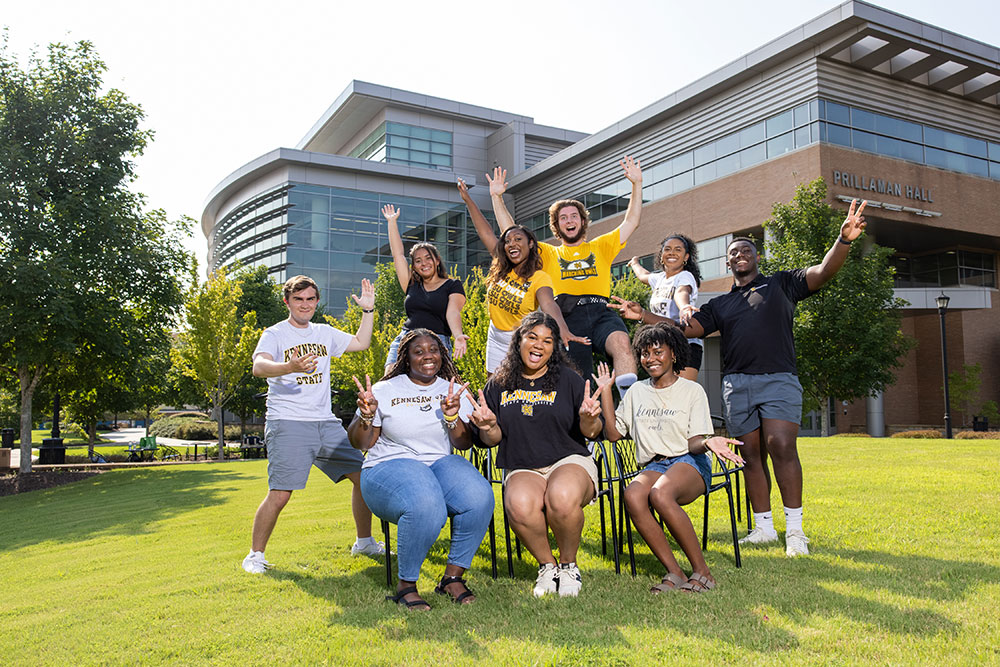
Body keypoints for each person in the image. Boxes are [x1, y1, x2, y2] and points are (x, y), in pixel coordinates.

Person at [608, 199, 868, 557]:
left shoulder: (781, 285)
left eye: (746, 250)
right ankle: (762, 527)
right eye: (733, 253)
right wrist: (646, 317)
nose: (739, 255)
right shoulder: (721, 305)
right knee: (749, 456)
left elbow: (823, 272)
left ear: (756, 257)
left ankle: (795, 531)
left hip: (777, 378)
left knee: (780, 444)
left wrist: (844, 241)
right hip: (736, 385)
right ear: (728, 262)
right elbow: (688, 328)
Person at [243, 275, 383, 575]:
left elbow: (361, 342)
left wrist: (368, 311)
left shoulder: (324, 332)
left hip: (325, 423)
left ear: (317, 302)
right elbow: (259, 366)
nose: (305, 304)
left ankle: (364, 541)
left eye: (310, 299)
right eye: (298, 299)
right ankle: (255, 555)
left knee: (365, 479)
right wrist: (289, 366)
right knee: (281, 493)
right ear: (287, 302)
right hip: (288, 422)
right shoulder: (275, 334)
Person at [347, 329, 494, 610]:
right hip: (388, 467)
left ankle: (453, 577)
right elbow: (360, 442)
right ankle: (407, 585)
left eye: (434, 349)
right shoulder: (385, 390)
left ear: (442, 355)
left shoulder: (451, 389)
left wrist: (452, 417)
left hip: (438, 463)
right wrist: (366, 416)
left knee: (479, 497)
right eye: (419, 351)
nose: (428, 355)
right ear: (406, 358)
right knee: (426, 503)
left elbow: (462, 444)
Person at [468, 311, 608, 597]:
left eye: (547, 340)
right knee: (519, 504)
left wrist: (590, 417)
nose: (538, 345)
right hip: (523, 464)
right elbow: (491, 439)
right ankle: (548, 566)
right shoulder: (498, 383)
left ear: (553, 347)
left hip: (568, 459)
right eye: (532, 337)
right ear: (518, 340)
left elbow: (591, 432)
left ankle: (569, 565)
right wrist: (489, 425)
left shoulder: (569, 380)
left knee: (561, 496)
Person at [596, 324, 744, 593]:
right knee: (632, 494)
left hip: (688, 461)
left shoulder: (691, 391)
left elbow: (694, 442)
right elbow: (615, 434)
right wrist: (607, 391)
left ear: (673, 354)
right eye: (644, 353)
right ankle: (674, 572)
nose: (650, 359)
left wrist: (710, 441)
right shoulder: (637, 392)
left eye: (657, 352)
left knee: (660, 494)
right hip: (655, 464)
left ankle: (703, 572)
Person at [488, 158, 644, 392]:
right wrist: (497, 198)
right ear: (556, 226)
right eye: (563, 218)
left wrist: (637, 184)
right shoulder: (548, 253)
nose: (569, 220)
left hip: (600, 310)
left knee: (622, 342)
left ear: (582, 221)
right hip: (567, 315)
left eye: (573, 216)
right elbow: (513, 235)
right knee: (579, 377)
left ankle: (629, 405)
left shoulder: (601, 246)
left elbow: (631, 221)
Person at [458, 175, 589, 374]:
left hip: (522, 339)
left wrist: (562, 328)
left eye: (518, 239)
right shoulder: (501, 264)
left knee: (520, 388)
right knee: (493, 387)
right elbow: (484, 232)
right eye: (508, 241)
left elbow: (549, 304)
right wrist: (468, 199)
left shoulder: (539, 277)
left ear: (530, 244)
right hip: (495, 335)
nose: (512, 244)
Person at [381, 204, 467, 374]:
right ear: (414, 266)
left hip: (436, 341)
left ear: (437, 261)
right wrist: (392, 222)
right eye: (418, 261)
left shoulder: (452, 285)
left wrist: (458, 335)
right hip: (407, 337)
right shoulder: (411, 284)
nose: (424, 263)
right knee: (389, 380)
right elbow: (398, 255)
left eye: (428, 258)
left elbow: (453, 312)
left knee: (434, 389)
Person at [627, 234, 704, 380]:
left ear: (686, 257)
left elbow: (681, 291)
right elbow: (643, 275)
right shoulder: (660, 279)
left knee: (681, 395)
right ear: (661, 256)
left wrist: (684, 306)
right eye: (667, 249)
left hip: (685, 344)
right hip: (661, 345)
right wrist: (635, 263)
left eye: (678, 249)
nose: (672, 252)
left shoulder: (684, 276)